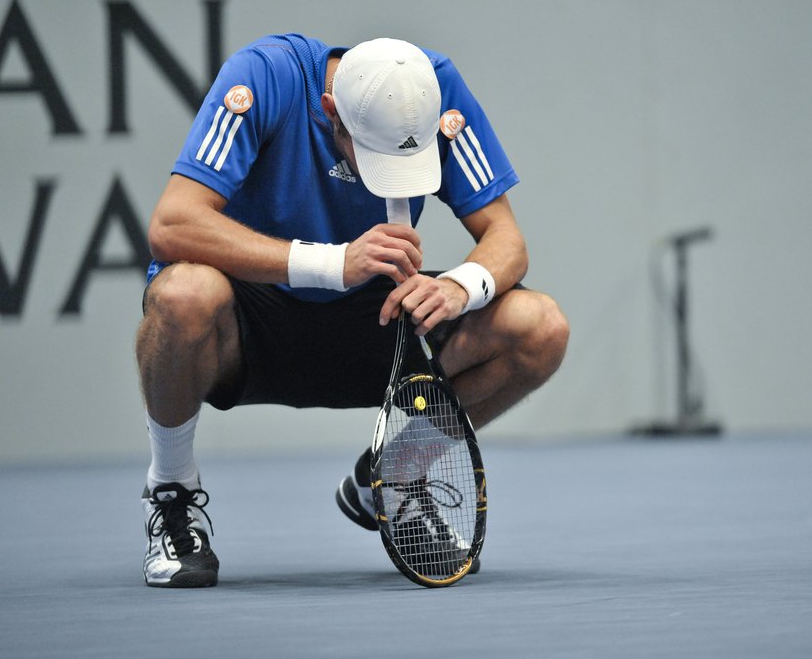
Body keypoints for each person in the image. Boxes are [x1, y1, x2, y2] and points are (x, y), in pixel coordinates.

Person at [136, 34, 569, 588]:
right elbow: (172, 223)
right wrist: (332, 262)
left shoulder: (434, 90)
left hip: (376, 317)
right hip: (250, 324)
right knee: (182, 294)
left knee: (540, 327)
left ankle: (392, 476)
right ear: (330, 112)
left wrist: (459, 287)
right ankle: (172, 492)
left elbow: (505, 237)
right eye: (375, 156)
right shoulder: (266, 76)